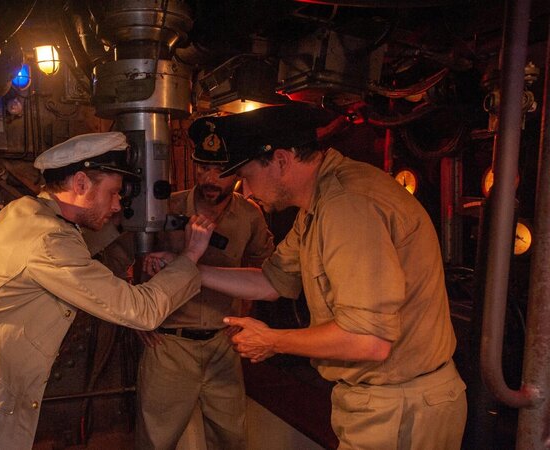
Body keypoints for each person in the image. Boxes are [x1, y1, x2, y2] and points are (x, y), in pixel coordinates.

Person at [150, 104, 468, 449]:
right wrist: (186, 269)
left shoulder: (346, 206)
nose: (248, 191)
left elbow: (369, 341)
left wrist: (272, 340)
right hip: (382, 399)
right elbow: (271, 282)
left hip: (401, 405)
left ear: (282, 161)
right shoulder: (319, 204)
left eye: (249, 176)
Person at [0, 131, 216, 449]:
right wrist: (190, 256)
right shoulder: (48, 238)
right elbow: (141, 312)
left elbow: (80, 274)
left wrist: (123, 260)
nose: (117, 205)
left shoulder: (29, 214)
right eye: (114, 192)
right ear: (81, 183)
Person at [135, 118, 274, 450]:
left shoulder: (250, 216)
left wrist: (247, 311)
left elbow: (269, 268)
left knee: (230, 436)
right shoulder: (164, 208)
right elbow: (126, 260)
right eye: (204, 167)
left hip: (222, 345)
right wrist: (132, 315)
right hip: (168, 345)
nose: (211, 179)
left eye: (222, 169)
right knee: (157, 439)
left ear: (239, 171)